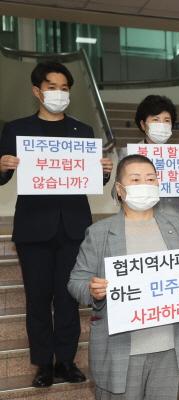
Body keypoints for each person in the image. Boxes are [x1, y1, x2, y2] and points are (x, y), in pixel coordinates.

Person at [68, 154, 179, 399]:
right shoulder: (100, 232)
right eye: (135, 179)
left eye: (150, 179)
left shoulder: (175, 226)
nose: (144, 184)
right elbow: (76, 281)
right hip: (121, 349)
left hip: (169, 347)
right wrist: (92, 289)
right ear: (120, 189)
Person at [0, 61, 113, 387]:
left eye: (65, 88)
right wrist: (3, 165)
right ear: (37, 91)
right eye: (52, 87)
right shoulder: (17, 129)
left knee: (68, 297)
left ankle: (66, 360)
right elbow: (2, 177)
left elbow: (93, 180)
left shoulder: (83, 131)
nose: (59, 94)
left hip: (74, 227)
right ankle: (43, 364)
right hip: (33, 227)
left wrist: (104, 172)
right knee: (37, 299)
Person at [116, 95, 179, 218]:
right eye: (156, 119)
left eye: (166, 120)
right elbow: (116, 193)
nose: (162, 124)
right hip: (138, 219)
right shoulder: (128, 153)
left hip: (173, 220)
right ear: (143, 125)